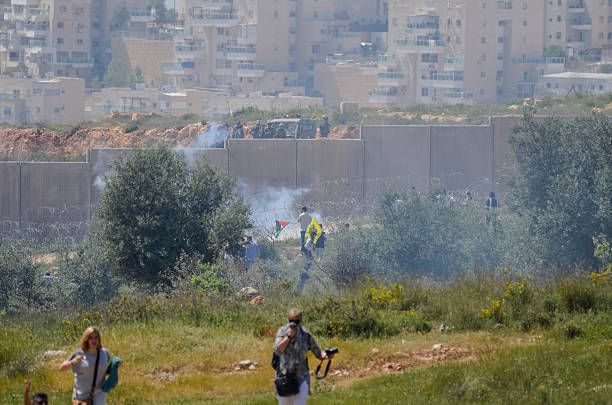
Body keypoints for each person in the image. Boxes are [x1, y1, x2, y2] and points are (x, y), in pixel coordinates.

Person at [274, 309, 334, 405]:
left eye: (296, 321)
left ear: (301, 322)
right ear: (287, 320)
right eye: (291, 321)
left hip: (301, 376)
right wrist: (289, 336)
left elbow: (318, 352)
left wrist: (327, 355)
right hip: (284, 376)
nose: (294, 324)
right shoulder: (282, 331)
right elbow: (277, 350)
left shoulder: (306, 335)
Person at [60, 327, 122, 405]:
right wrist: (73, 362)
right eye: (91, 338)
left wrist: (115, 365)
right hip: (81, 395)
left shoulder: (105, 353)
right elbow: (62, 368)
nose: (94, 340)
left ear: (99, 339)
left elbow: (104, 371)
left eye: (96, 337)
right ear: (86, 339)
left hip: (99, 392)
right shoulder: (79, 353)